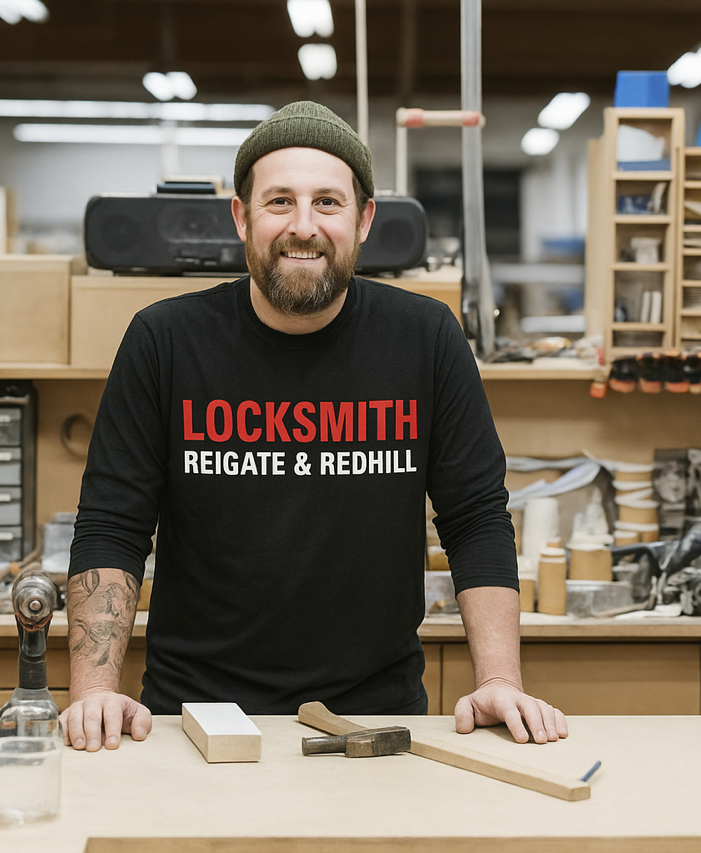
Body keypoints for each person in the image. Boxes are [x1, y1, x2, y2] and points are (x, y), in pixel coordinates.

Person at [62, 101, 568, 752]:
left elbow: (474, 518)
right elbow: (112, 525)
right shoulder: (165, 341)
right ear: (242, 217)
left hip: (375, 724)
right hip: (194, 722)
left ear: (363, 220)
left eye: (327, 202)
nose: (303, 226)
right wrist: (94, 691)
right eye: (280, 202)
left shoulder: (425, 338)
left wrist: (500, 678)